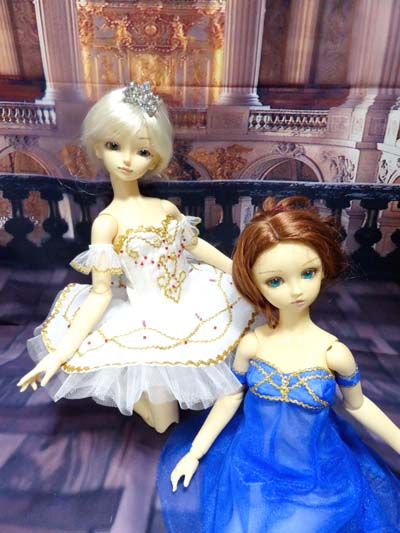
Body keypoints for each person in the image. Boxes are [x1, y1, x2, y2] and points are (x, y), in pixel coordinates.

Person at [17, 82, 255, 433]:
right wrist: (60, 354)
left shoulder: (164, 207)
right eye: (114, 146)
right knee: (164, 424)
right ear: (99, 147)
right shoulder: (107, 223)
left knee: (214, 386)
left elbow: (194, 245)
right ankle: (130, 392)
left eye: (142, 151)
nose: (127, 160)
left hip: (193, 301)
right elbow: (100, 293)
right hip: (145, 317)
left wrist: (239, 273)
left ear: (154, 156)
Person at [158, 196, 400, 531]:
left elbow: (357, 405)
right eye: (275, 281)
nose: (295, 290)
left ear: (323, 268)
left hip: (315, 471)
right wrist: (195, 452)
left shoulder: (333, 353)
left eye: (308, 273)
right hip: (252, 465)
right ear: (254, 283)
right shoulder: (253, 345)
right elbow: (230, 397)